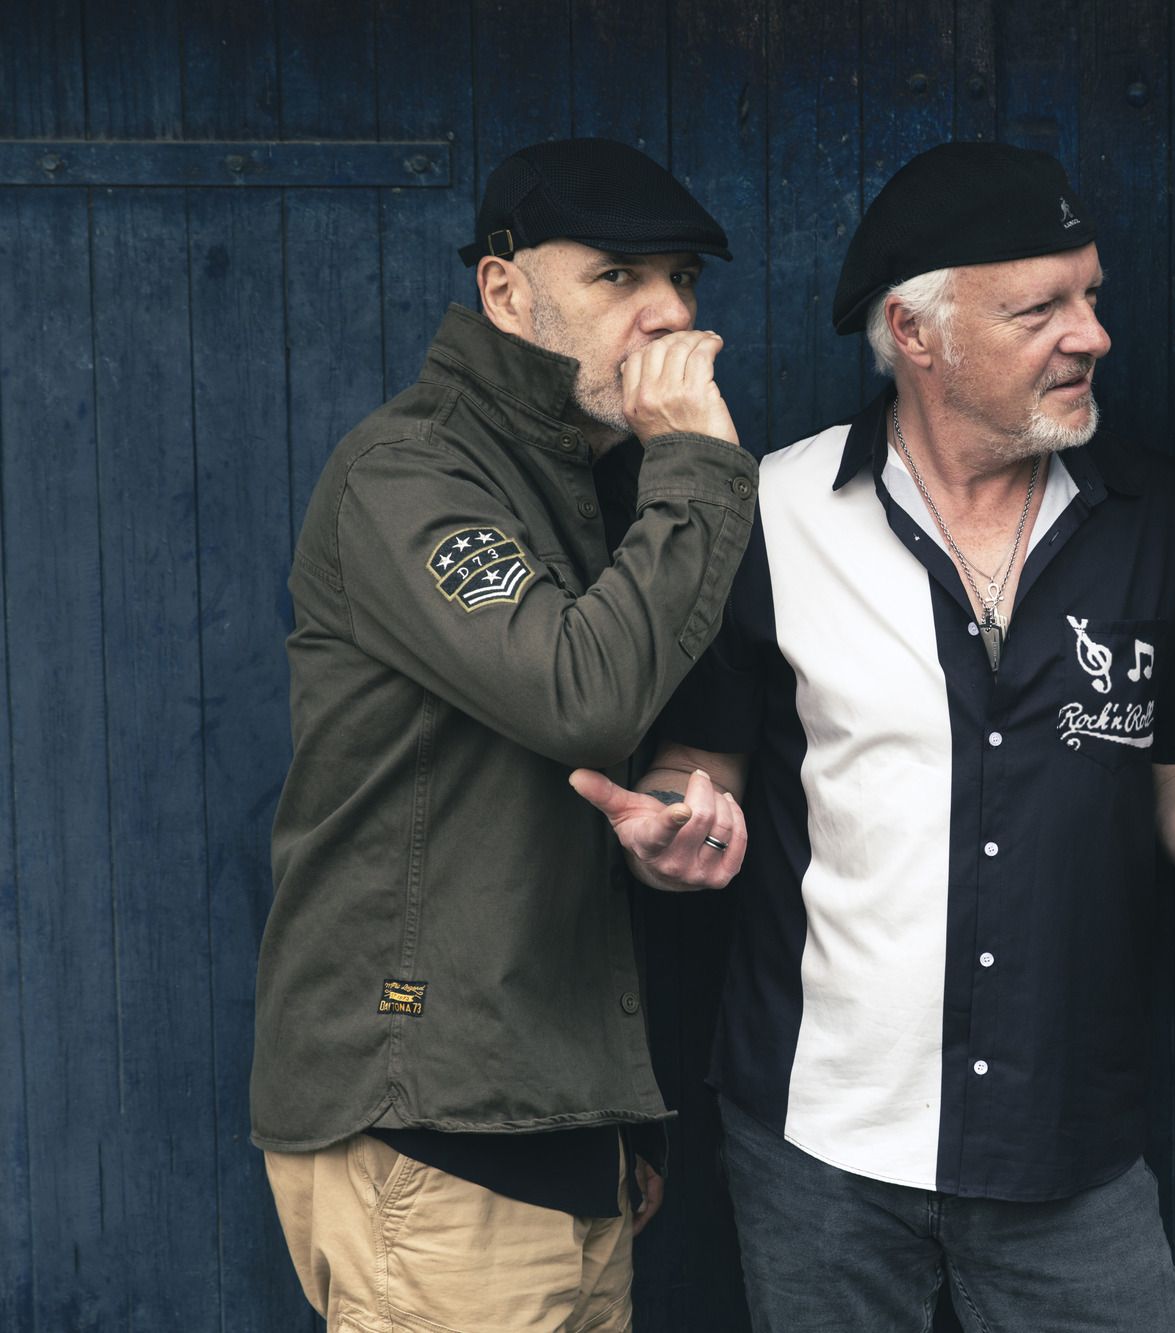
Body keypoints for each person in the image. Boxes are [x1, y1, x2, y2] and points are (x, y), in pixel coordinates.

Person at [570, 141, 1175, 1333]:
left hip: (1070, 1146)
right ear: (915, 334)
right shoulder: (771, 511)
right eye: (1038, 310)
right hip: (819, 1142)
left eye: (1091, 297)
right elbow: (701, 765)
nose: (1093, 335)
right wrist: (672, 825)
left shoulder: (1160, 521)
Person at [251, 137, 759, 1331]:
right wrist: (697, 459)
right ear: (502, 289)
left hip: (567, 1125)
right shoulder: (412, 470)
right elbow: (579, 695)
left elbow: (637, 753)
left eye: (681, 279)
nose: (668, 313)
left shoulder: (614, 485)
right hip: (434, 1132)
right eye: (617, 276)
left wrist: (671, 814)